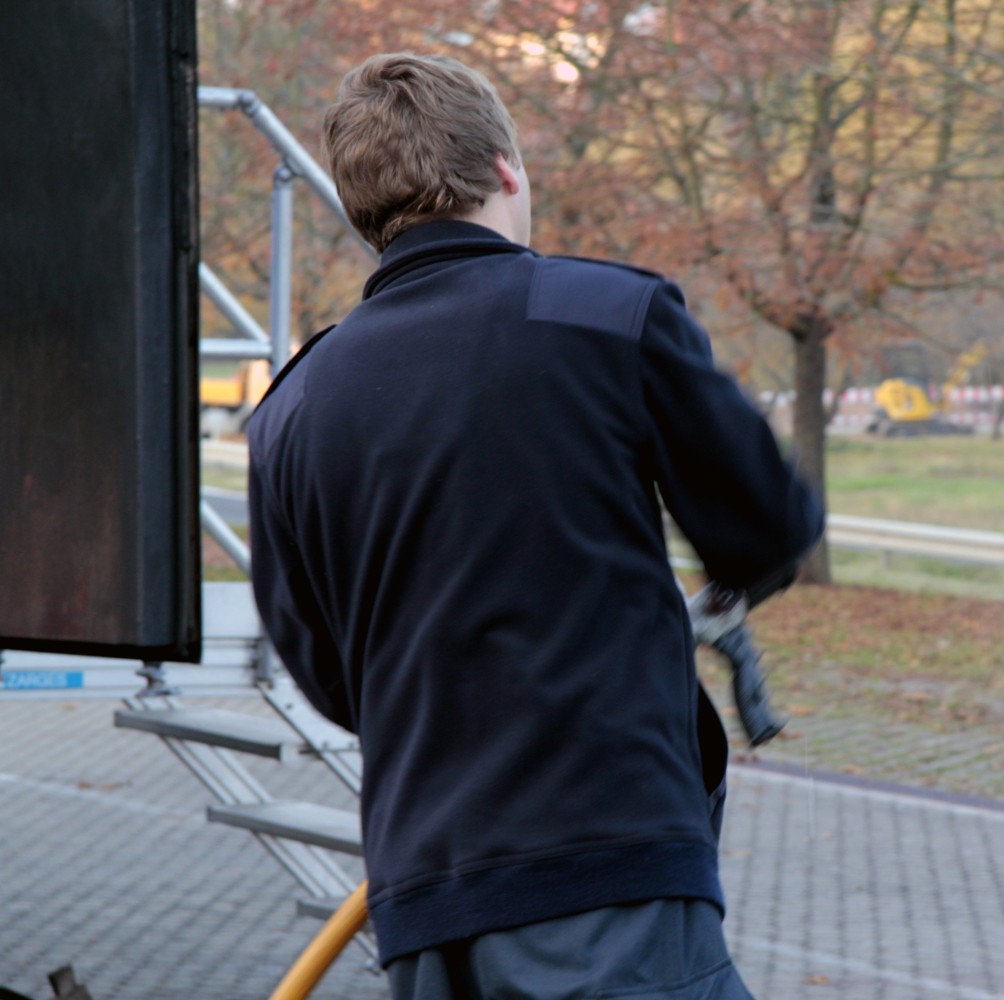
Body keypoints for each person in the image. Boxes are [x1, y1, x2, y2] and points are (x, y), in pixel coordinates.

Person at [247, 52, 823, 999]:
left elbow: (330, 675)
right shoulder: (606, 317)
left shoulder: (293, 409)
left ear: (364, 216)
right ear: (506, 169)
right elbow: (769, 526)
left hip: (426, 910)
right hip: (609, 880)